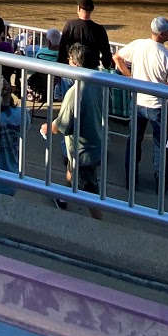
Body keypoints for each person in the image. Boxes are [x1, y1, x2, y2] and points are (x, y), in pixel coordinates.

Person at [115, 16, 168, 190]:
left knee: (134, 141)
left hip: (138, 102)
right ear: (161, 34)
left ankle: (130, 178)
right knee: (160, 146)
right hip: (157, 107)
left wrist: (130, 78)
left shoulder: (138, 45)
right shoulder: (167, 56)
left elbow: (117, 57)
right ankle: (161, 181)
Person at [43, 41, 106, 218]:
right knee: (71, 171)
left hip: (84, 151)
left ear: (76, 64)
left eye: (69, 59)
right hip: (94, 143)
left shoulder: (75, 91)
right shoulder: (98, 80)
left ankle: (100, 225)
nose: (67, 62)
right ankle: (63, 198)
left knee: (90, 193)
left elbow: (60, 125)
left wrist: (47, 127)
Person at [58, 0, 114, 71]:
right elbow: (106, 52)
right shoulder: (99, 29)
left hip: (73, 68)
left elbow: (63, 48)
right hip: (92, 70)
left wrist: (60, 65)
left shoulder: (70, 25)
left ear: (78, 8)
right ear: (92, 10)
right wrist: (106, 65)